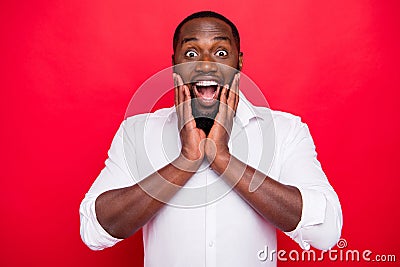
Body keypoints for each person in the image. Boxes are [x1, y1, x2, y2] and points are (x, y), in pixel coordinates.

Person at [80, 11, 342, 266]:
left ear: (239, 63)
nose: (206, 64)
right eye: (192, 53)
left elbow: (326, 232)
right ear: (176, 64)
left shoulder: (286, 131)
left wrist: (224, 160)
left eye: (220, 53)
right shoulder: (136, 131)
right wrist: (185, 161)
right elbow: (94, 230)